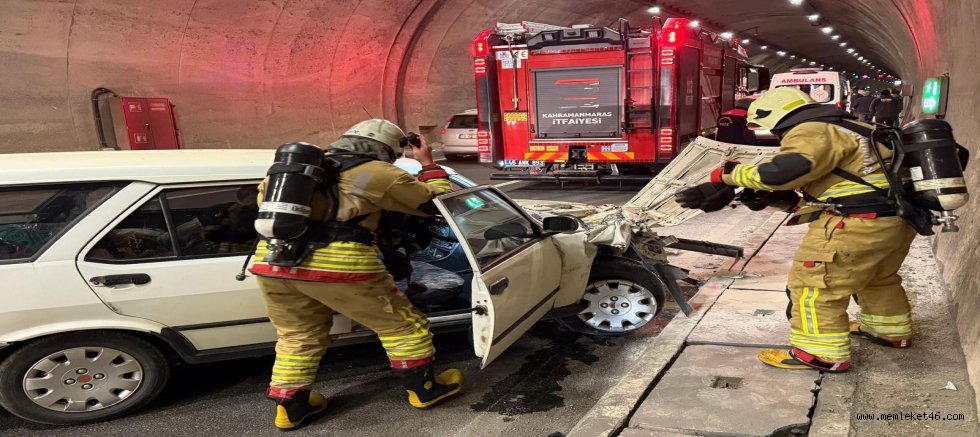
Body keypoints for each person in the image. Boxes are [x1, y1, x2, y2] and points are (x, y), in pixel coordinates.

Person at [674, 88, 916, 373]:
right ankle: (889, 331)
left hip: (854, 224)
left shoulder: (812, 129)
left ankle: (820, 354)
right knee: (877, 278)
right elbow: (842, 183)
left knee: (815, 285)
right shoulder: (855, 127)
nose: (777, 136)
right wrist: (774, 198)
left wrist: (728, 175)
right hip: (895, 220)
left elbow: (781, 173)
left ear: (778, 117)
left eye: (773, 130)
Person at [248, 119, 460, 430]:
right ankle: (425, 390)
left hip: (273, 263)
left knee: (297, 334)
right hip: (340, 265)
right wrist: (427, 164)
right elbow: (436, 203)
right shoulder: (379, 172)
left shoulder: (293, 174)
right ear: (387, 149)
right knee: (403, 325)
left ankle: (291, 408)